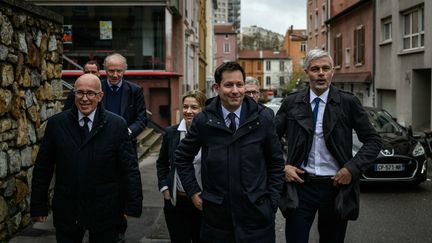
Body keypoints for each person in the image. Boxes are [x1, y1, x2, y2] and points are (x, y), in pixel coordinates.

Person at [274, 49, 382, 243]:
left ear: (332, 72)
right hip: (300, 186)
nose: (321, 73)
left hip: (335, 186)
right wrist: (283, 167)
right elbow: (269, 141)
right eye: (315, 69)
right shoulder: (291, 103)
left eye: (326, 68)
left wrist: (352, 168)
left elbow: (373, 141)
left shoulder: (348, 102)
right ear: (307, 72)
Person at [174, 62, 285, 243]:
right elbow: (182, 156)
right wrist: (193, 191)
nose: (235, 91)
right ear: (217, 88)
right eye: (228, 85)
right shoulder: (204, 120)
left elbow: (276, 162)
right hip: (217, 220)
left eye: (239, 85)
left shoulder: (263, 118)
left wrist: (272, 201)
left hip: (256, 217)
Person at [30, 74, 143, 242]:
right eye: (79, 93)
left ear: (100, 96)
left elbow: (129, 168)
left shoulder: (117, 125)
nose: (84, 99)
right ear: (73, 94)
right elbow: (43, 167)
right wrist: (38, 205)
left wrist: (132, 204)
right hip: (68, 207)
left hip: (106, 209)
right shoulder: (56, 124)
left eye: (90, 93)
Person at [64, 53, 147, 148]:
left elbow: (142, 119)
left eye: (119, 71)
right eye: (111, 71)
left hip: (125, 143)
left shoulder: (135, 91)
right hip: (97, 143)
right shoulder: (95, 89)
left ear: (124, 70)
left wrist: (129, 131)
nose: (115, 75)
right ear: (105, 70)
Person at [156, 90, 207, 243]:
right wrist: (165, 189)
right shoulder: (171, 133)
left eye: (194, 107)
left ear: (202, 109)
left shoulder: (210, 134)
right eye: (185, 107)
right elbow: (162, 163)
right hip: (176, 200)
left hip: (202, 201)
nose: (188, 111)